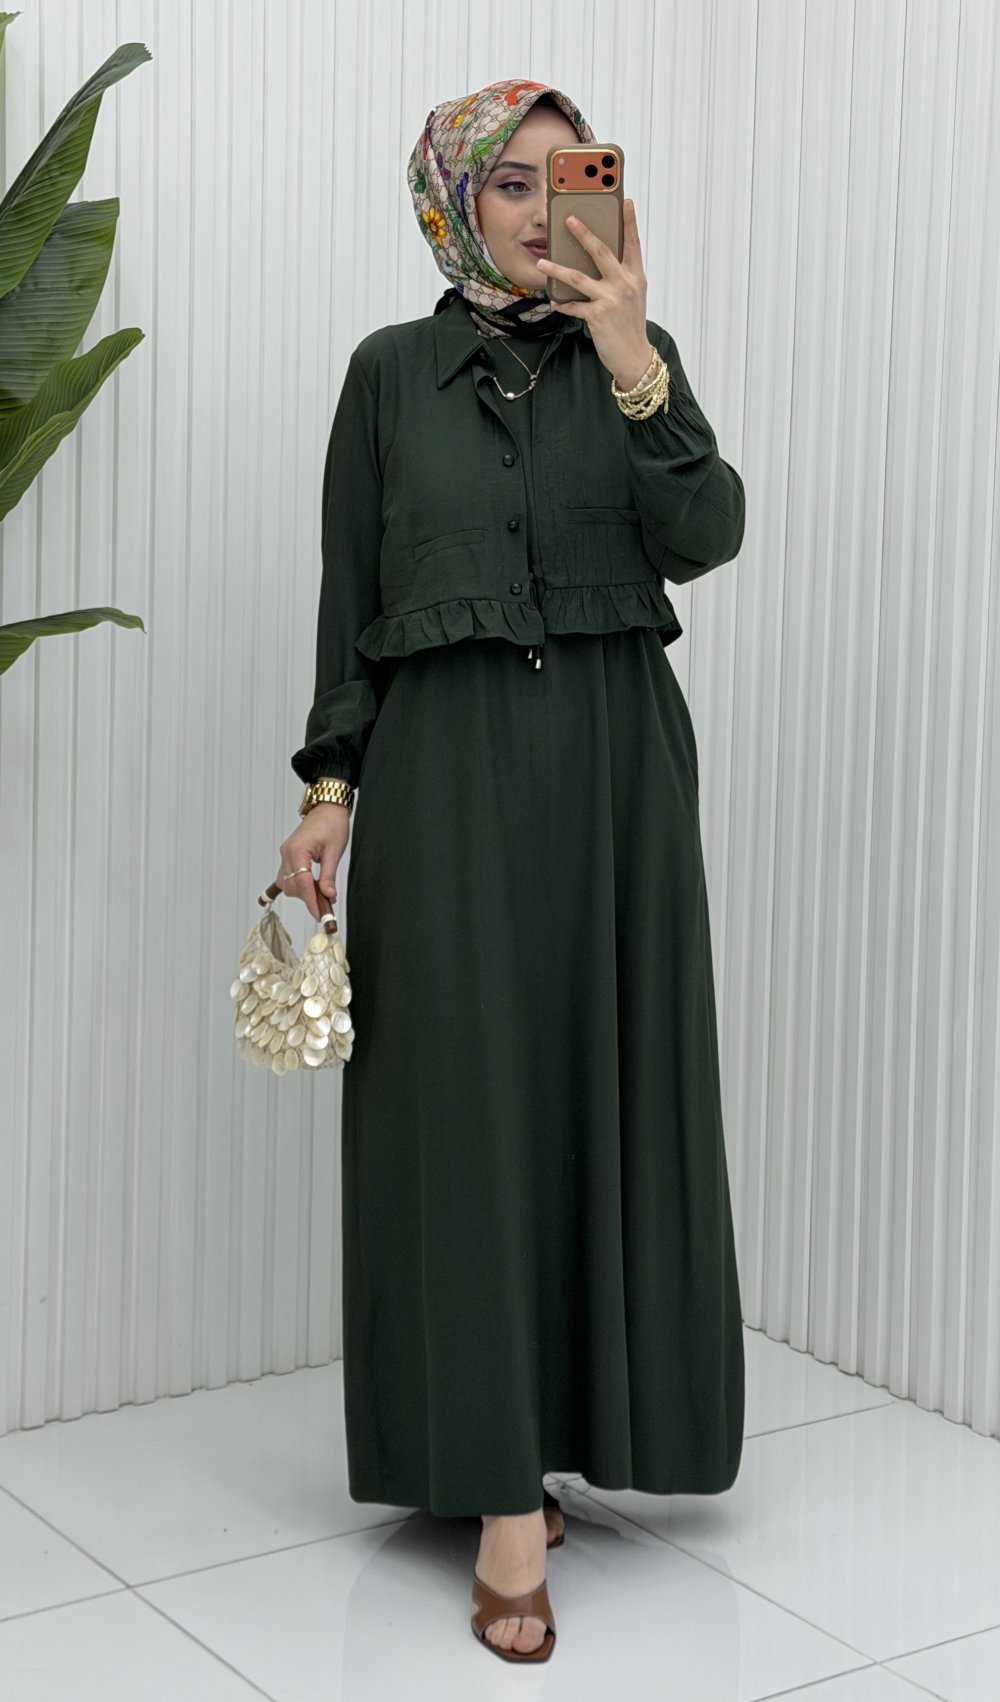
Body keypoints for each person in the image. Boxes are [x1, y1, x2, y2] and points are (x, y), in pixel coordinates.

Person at [278, 78, 747, 1666]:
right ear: (452, 202)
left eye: (574, 179)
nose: (549, 212)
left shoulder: (633, 360)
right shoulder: (388, 376)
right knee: (463, 1110)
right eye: (515, 185)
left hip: (619, 776)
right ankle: (494, 1487)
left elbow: (709, 530)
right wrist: (328, 789)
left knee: (607, 1084)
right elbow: (352, 595)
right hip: (449, 778)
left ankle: (592, 1427)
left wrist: (634, 362)